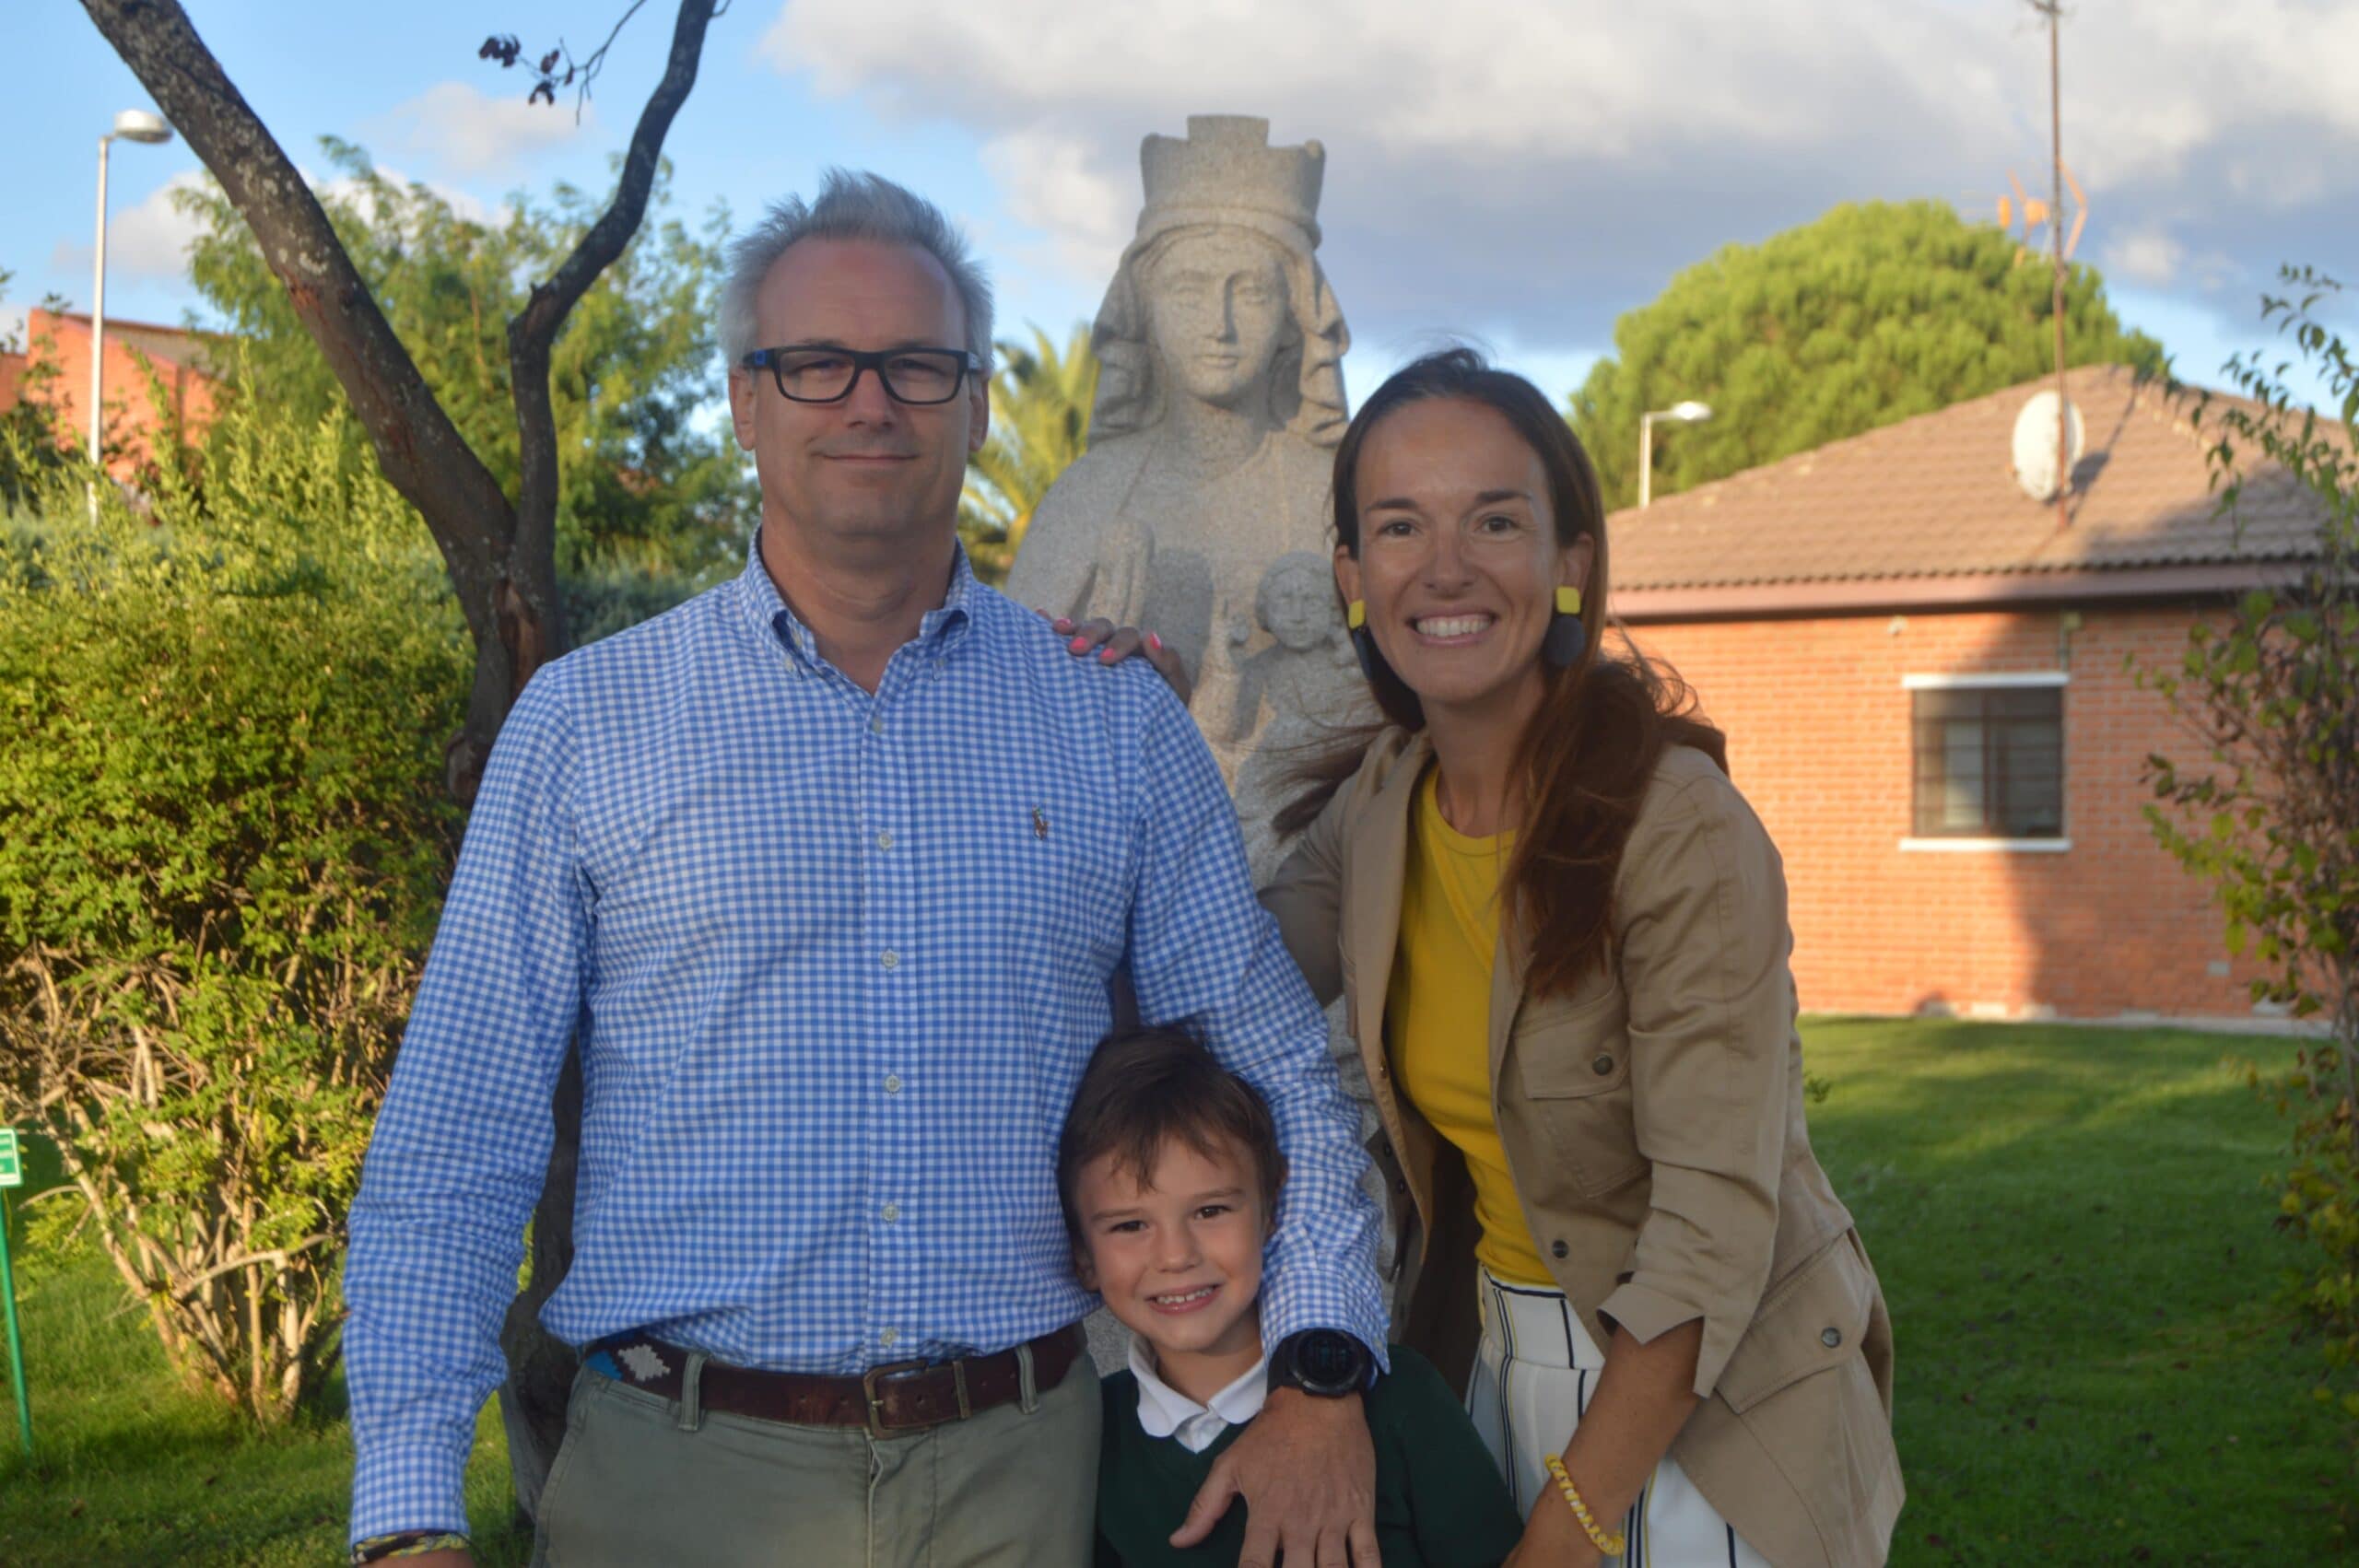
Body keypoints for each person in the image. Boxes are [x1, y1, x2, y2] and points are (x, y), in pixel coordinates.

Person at [339, 170, 1390, 1568]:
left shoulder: (1111, 721)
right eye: (817, 363)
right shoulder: (589, 725)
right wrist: (410, 1509)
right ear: (745, 401)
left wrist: (1324, 1367)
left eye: (916, 363)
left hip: (1020, 1483)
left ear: (974, 403)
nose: (868, 401)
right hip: (673, 1484)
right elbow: (455, 1138)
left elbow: (1277, 1071)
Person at [1070, 349, 1904, 1567]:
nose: (1444, 567)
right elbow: (1203, 990)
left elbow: (1710, 1232)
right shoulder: (1383, 802)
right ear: (1353, 574)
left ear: (1570, 562)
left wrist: (1563, 1535)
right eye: (1399, 526)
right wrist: (1114, 728)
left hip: (1709, 1396)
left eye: (1495, 521)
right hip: (1491, 1361)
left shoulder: (1676, 828)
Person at [1062, 1026, 1522, 1568]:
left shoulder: (1402, 1397)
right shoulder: (1093, 1435)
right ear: (1083, 1258)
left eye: (1210, 1211)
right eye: (1130, 1225)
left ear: (1273, 1206)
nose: (1175, 1255)